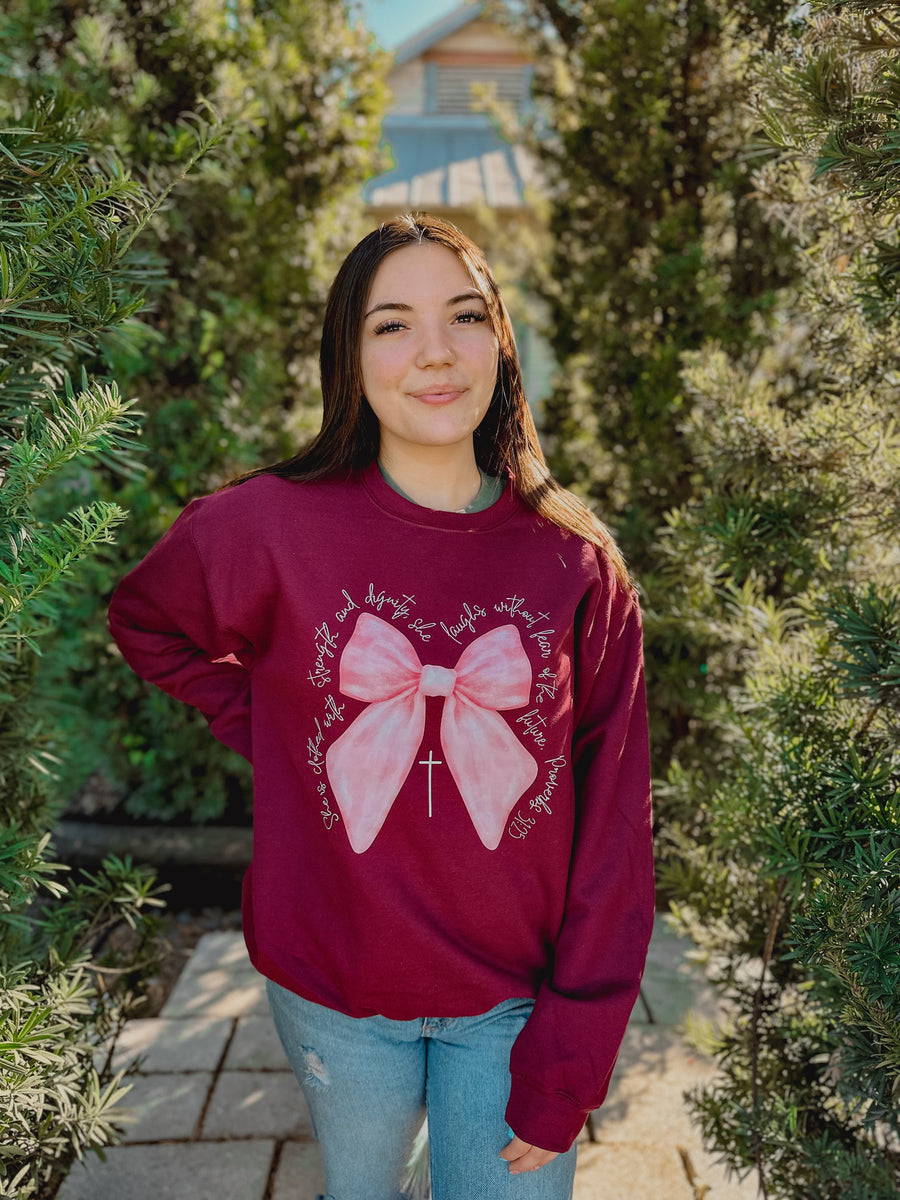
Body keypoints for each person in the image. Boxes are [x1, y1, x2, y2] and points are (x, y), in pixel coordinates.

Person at [108, 213, 654, 1200]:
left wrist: (571, 1055)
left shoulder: (577, 565)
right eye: (393, 325)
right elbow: (148, 621)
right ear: (349, 357)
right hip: (333, 993)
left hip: (515, 1005)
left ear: (501, 342)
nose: (435, 353)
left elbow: (616, 834)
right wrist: (277, 731)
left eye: (465, 316)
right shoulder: (262, 527)